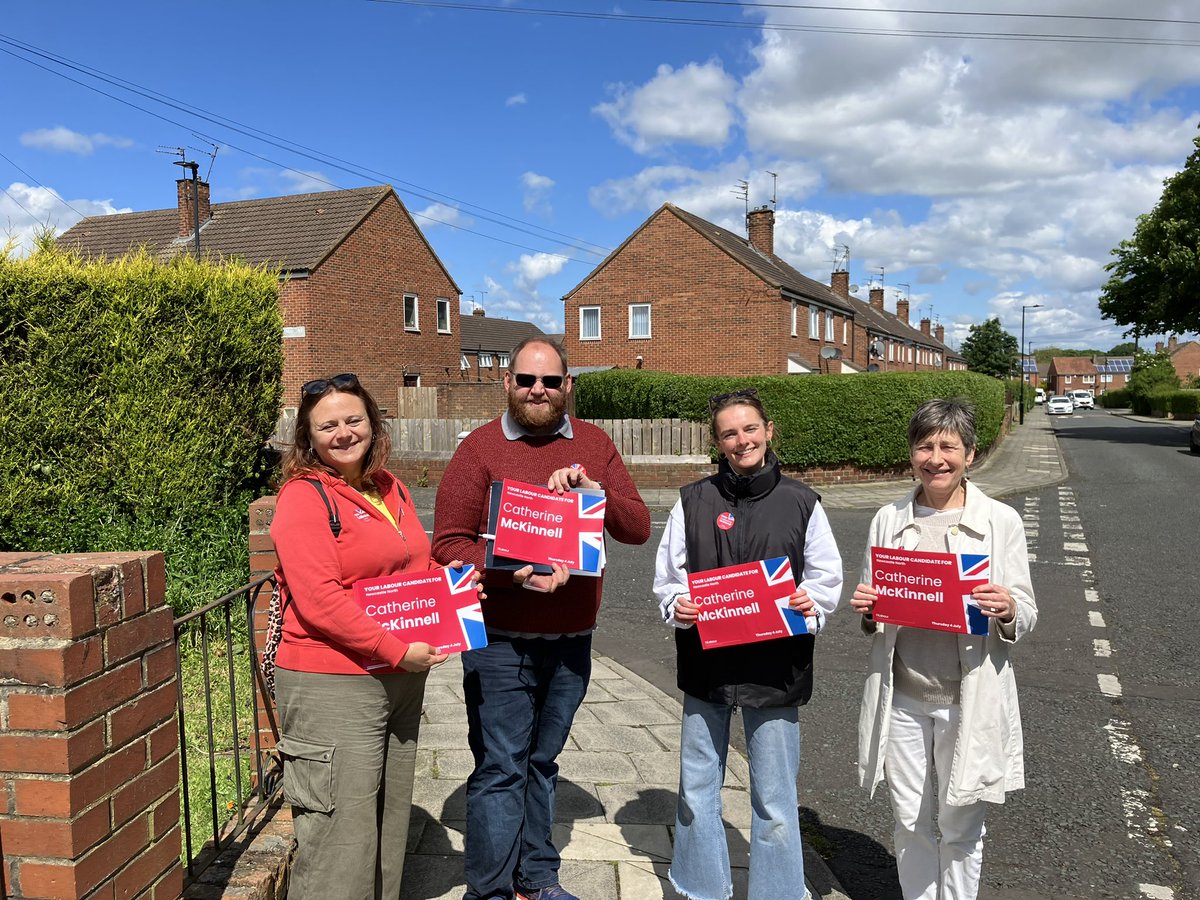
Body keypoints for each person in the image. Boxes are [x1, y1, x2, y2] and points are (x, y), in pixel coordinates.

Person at [433, 337, 651, 900]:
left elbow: (636, 527)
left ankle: (536, 875)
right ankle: (490, 890)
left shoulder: (595, 444)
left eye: (550, 382)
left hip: (573, 637)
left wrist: (597, 493)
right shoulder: (478, 449)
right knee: (502, 765)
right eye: (527, 380)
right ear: (506, 382)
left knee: (542, 763)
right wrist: (514, 572)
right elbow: (449, 545)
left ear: (567, 387)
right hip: (499, 638)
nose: (538, 391)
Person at [270, 373, 463, 900]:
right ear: (308, 438)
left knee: (387, 820)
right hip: (334, 682)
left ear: (373, 424)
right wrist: (399, 648)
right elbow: (319, 600)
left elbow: (415, 566)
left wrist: (456, 600)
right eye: (326, 425)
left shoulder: (388, 487)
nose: (343, 433)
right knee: (340, 839)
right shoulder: (303, 499)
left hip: (397, 679)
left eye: (353, 420)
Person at [653, 388, 843, 900]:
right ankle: (700, 889)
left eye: (750, 429)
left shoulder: (803, 502)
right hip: (706, 669)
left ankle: (778, 893)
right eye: (730, 433)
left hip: (775, 671)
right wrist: (679, 606)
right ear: (717, 441)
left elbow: (826, 580)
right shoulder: (691, 501)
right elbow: (668, 580)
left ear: (769, 430)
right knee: (696, 790)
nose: (742, 440)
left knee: (776, 800)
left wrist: (811, 605)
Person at [850, 398, 1037, 900]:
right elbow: (874, 610)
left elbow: (1026, 607)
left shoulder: (1001, 521)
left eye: (948, 446)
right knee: (909, 820)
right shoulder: (887, 519)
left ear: (970, 455)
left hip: (967, 699)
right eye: (925, 446)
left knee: (959, 826)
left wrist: (1007, 608)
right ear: (912, 454)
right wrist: (868, 608)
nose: (936, 458)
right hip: (905, 697)